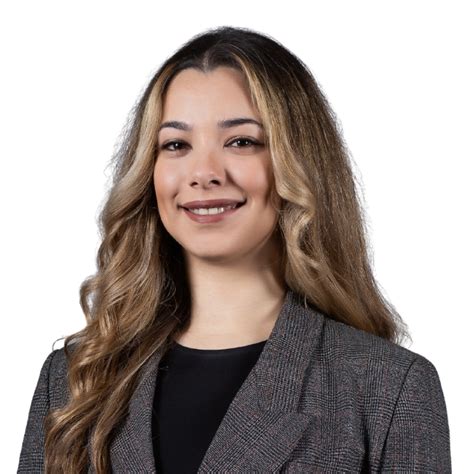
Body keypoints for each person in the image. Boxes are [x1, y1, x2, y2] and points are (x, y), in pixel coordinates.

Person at [18, 25, 451, 473]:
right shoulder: (73, 382)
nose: (203, 173)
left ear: (298, 162)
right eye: (176, 145)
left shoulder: (388, 389)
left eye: (241, 141)